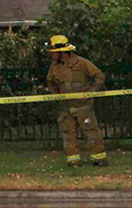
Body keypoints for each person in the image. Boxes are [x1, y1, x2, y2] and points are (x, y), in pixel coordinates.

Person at [45, 34, 108, 167]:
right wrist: (56, 95)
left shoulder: (81, 63)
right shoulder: (54, 67)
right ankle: (73, 161)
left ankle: (99, 159)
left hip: (83, 107)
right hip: (65, 108)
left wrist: (91, 91)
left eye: (53, 53)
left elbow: (99, 76)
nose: (52, 56)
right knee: (68, 135)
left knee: (91, 133)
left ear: (62, 52)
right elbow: (50, 82)